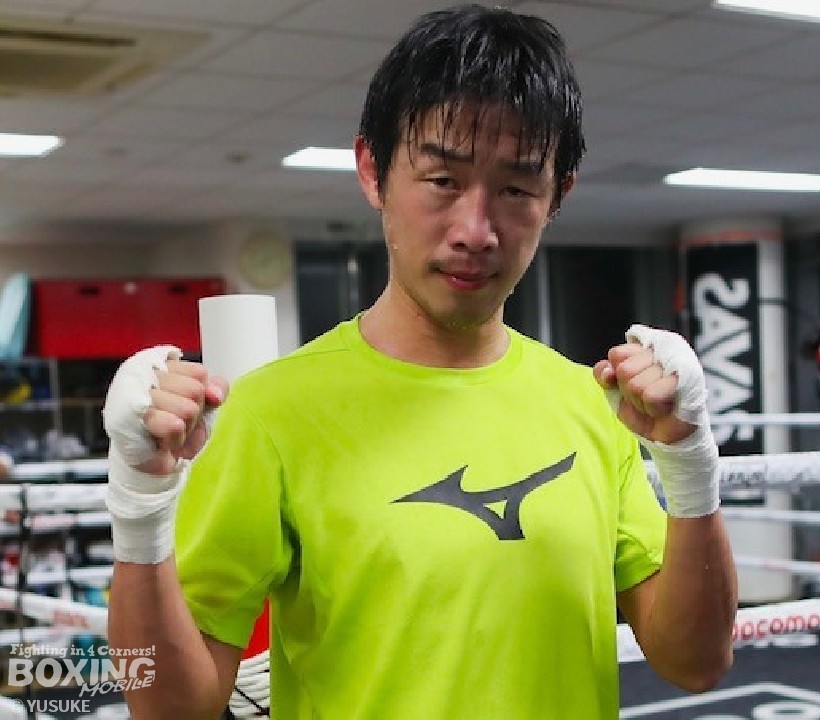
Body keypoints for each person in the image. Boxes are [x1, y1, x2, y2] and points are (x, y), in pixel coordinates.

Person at [103, 5, 737, 719]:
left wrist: (691, 461)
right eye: (442, 180)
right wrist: (138, 505)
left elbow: (697, 662)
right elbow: (167, 708)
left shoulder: (594, 403)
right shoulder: (272, 411)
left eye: (516, 189)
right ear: (373, 171)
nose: (476, 230)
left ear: (557, 196)